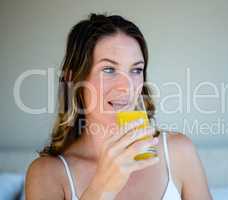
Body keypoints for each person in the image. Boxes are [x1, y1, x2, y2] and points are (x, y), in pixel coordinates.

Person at [25, 13, 212, 200]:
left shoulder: (178, 151)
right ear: (72, 80)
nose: (127, 86)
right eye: (109, 69)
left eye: (136, 70)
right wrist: (102, 187)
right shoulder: (46, 175)